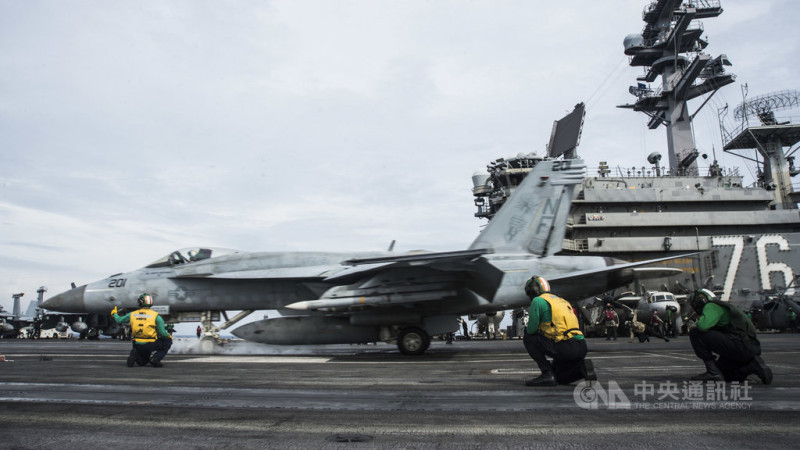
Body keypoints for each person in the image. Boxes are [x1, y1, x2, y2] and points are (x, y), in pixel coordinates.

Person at [522, 276, 596, 386]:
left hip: (565, 346)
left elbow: (532, 329)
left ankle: (546, 373)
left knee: (528, 337)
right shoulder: (561, 300)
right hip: (581, 346)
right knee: (559, 378)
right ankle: (583, 368)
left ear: (532, 291)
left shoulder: (538, 300)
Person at [688, 289, 772, 384]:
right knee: (725, 375)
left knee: (696, 333)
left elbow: (702, 326)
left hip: (740, 345)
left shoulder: (711, 306)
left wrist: (695, 323)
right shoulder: (722, 306)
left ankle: (713, 372)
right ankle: (753, 366)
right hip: (750, 348)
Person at [112, 293, 171, 368]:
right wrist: (168, 336)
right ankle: (155, 359)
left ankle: (135, 353)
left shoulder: (132, 314)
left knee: (142, 363)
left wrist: (114, 314)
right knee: (168, 341)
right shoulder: (156, 316)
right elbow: (162, 333)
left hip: (136, 344)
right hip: (150, 344)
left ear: (140, 302)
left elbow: (119, 320)